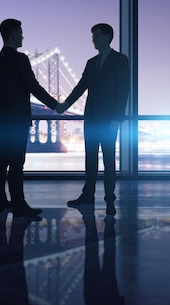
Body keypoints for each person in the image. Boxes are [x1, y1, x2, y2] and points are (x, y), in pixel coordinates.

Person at [0, 19, 58, 217]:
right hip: (17, 120)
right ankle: (19, 205)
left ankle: (1, 203)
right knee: (17, 163)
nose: (23, 36)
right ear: (11, 34)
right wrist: (56, 106)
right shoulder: (20, 59)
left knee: (0, 163)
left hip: (1, 119)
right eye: (20, 32)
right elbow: (33, 87)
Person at [57, 23, 129, 215]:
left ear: (107, 36)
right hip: (91, 118)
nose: (93, 38)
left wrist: (116, 119)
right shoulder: (91, 62)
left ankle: (109, 198)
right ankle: (87, 196)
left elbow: (123, 92)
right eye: (93, 35)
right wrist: (64, 106)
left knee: (108, 160)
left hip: (109, 120)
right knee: (90, 159)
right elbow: (80, 87)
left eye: (97, 35)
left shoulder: (120, 60)